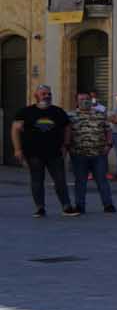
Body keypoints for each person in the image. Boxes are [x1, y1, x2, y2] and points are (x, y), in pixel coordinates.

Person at [13, 85, 78, 217]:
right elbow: (15, 130)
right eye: (43, 94)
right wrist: (17, 149)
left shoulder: (58, 111)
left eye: (49, 94)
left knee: (60, 180)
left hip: (54, 153)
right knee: (37, 180)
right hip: (33, 153)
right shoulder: (25, 112)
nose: (47, 96)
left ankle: (66, 206)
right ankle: (40, 208)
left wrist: (66, 145)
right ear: (36, 96)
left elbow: (67, 127)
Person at [69, 87, 117, 214]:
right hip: (79, 155)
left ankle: (108, 205)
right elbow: (65, 133)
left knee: (102, 180)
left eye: (87, 99)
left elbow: (108, 130)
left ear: (91, 100)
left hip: (99, 154)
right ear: (76, 101)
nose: (85, 101)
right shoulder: (71, 116)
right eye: (82, 99)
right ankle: (79, 205)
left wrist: (109, 145)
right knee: (80, 182)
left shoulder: (100, 114)